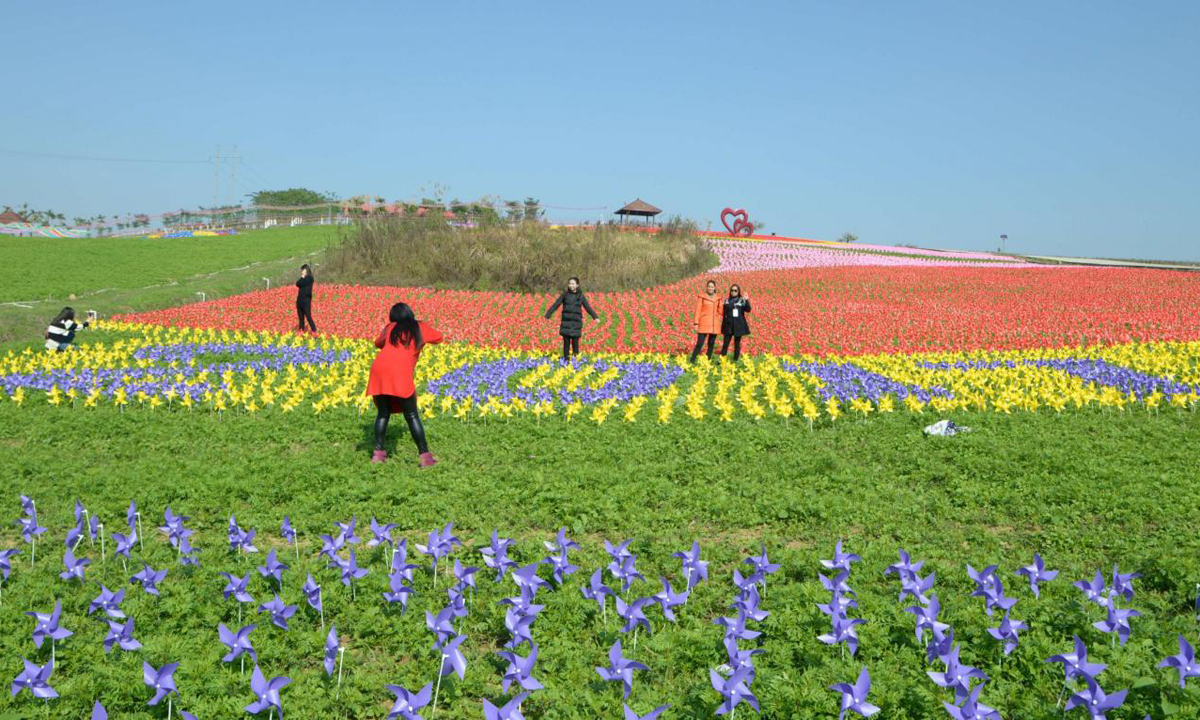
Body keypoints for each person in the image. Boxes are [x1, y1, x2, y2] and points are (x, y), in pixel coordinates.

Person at [364, 302, 444, 466]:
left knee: (383, 414)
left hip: (379, 370)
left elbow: (377, 343)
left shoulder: (390, 327)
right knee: (412, 415)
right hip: (400, 373)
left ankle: (378, 456)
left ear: (392, 317)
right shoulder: (419, 327)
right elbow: (439, 337)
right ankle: (426, 458)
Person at [544, 276, 599, 362]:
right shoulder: (565, 295)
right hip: (566, 323)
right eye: (569, 283)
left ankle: (575, 361)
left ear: (577, 285)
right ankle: (566, 361)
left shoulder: (580, 296)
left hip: (576, 323)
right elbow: (556, 304)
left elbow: (587, 307)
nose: (571, 285)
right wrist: (548, 314)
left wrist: (595, 317)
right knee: (566, 343)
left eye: (573, 283)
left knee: (575, 343)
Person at [690, 279, 722, 362]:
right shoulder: (702, 297)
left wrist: (724, 304)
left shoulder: (718, 298)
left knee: (711, 344)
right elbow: (698, 310)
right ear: (706, 288)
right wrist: (696, 323)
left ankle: (708, 361)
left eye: (712, 287)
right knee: (699, 344)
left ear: (715, 288)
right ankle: (692, 360)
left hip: (714, 323)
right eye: (709, 287)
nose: (710, 288)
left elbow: (721, 312)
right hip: (704, 322)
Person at [720, 284, 751, 361]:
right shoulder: (726, 301)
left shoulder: (742, 300)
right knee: (725, 344)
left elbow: (748, 309)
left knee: (737, 344)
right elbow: (723, 313)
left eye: (735, 290)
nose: (733, 292)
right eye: (732, 290)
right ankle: (722, 360)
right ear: (730, 291)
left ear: (738, 291)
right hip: (728, 325)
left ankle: (735, 360)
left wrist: (746, 300)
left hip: (738, 325)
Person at [295, 264, 317, 332]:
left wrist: (302, 277)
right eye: (301, 270)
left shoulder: (310, 278)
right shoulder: (303, 278)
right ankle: (301, 332)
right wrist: (302, 277)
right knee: (301, 319)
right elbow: (297, 284)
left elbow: (303, 283)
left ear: (306, 270)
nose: (302, 272)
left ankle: (314, 331)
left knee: (308, 317)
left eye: (303, 270)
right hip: (299, 301)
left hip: (306, 301)